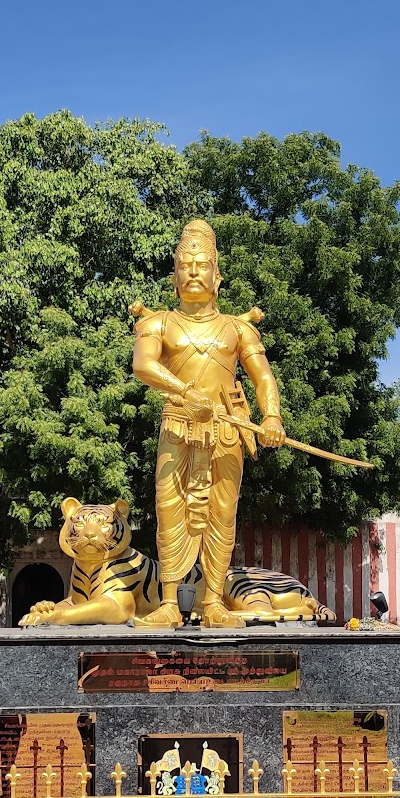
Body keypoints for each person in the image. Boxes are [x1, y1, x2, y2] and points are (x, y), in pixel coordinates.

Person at [131, 219, 285, 628]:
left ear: (217, 276)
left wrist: (271, 416)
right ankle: (168, 602)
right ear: (175, 275)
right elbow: (143, 365)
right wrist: (184, 392)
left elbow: (263, 377)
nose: (194, 271)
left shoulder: (237, 328)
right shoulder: (156, 323)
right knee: (170, 510)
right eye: (186, 265)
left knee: (221, 512)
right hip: (178, 428)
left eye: (203, 264)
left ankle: (214, 601)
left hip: (226, 432)